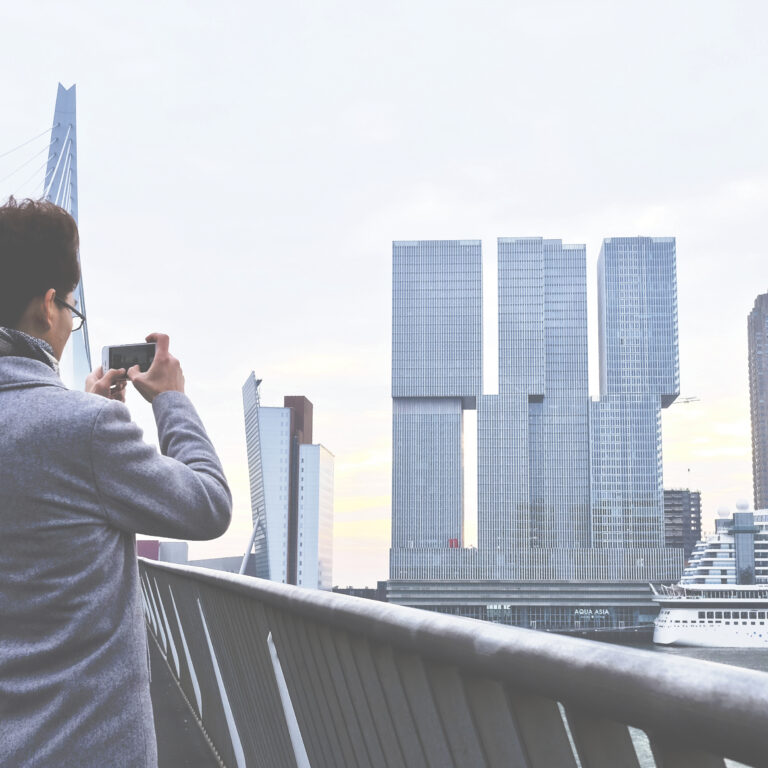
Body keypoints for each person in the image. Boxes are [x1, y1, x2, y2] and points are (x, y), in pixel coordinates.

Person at [0, 197, 232, 767]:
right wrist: (172, 403)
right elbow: (208, 506)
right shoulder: (88, 431)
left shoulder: (78, 429)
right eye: (73, 312)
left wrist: (77, 418)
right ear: (48, 308)